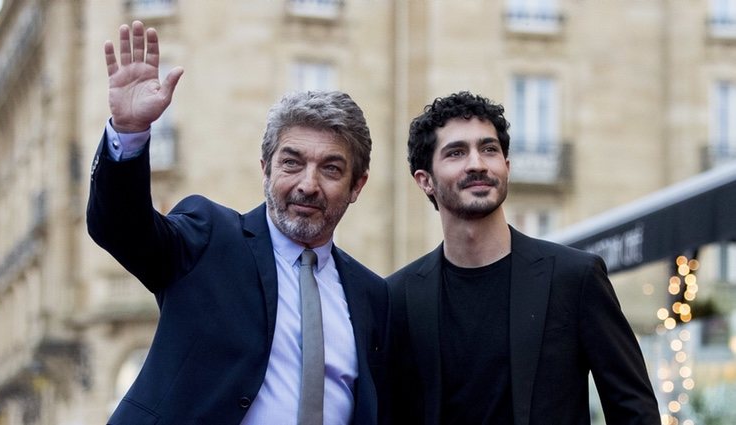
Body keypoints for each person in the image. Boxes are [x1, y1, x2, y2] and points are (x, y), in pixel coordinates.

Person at [87, 21, 388, 425]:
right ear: (265, 169)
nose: (308, 185)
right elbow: (120, 227)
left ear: (357, 185)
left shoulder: (372, 295)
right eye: (291, 163)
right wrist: (130, 132)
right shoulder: (209, 237)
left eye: (331, 169)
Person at [387, 91, 660, 424]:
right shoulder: (397, 298)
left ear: (506, 167)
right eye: (456, 153)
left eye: (489, 149)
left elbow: (634, 410)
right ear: (425, 181)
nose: (477, 163)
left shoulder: (575, 278)